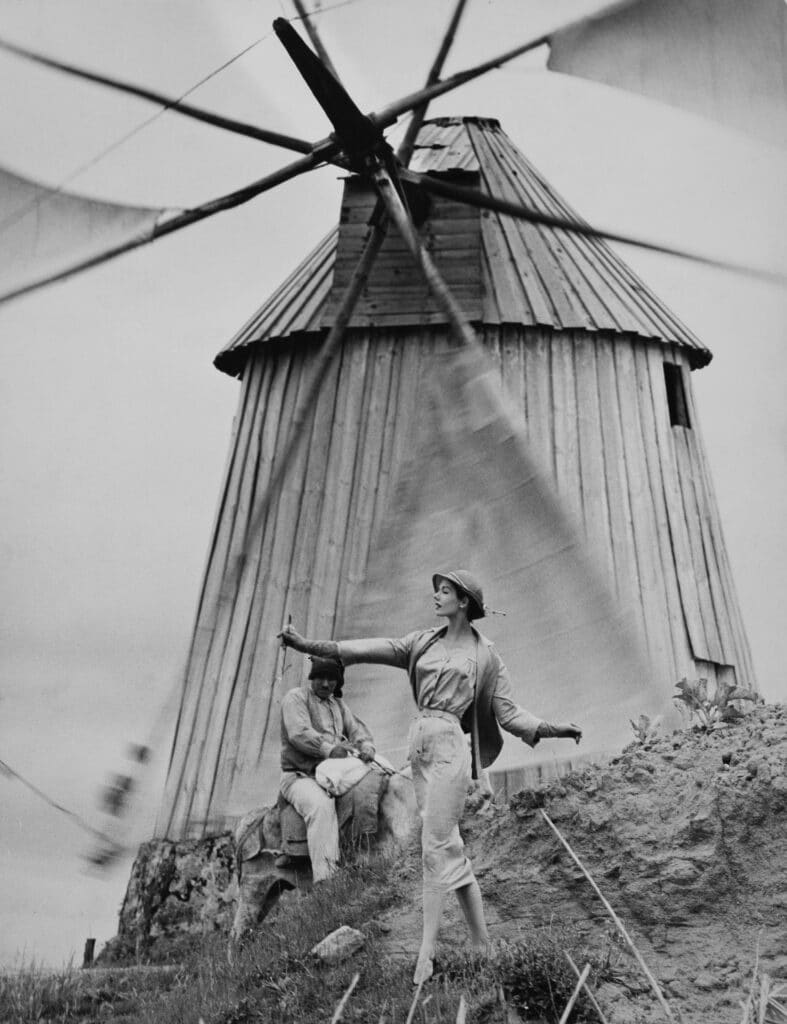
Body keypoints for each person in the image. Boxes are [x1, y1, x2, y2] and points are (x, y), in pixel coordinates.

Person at [280, 569, 583, 984]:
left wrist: (552, 729)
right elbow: (359, 650)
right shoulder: (421, 641)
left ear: (463, 602)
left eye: (444, 591)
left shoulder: (484, 655)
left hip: (449, 750)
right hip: (418, 748)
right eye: (435, 590)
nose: (435, 596)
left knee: (433, 846)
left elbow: (509, 713)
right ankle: (482, 946)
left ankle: (427, 953)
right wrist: (303, 644)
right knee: (451, 849)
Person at [279, 655, 376, 882]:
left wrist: (367, 747)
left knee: (368, 789)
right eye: (320, 677)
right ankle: (327, 879)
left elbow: (358, 731)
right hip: (301, 776)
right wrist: (329, 749)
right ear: (311, 677)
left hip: (333, 775)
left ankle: (362, 859)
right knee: (321, 807)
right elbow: (298, 733)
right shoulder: (296, 698)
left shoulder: (338, 704)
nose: (325, 684)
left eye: (331, 679)